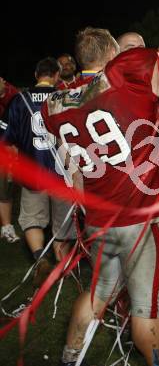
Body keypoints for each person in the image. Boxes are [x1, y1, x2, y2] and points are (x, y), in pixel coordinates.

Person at [42, 0, 159, 366]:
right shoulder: (123, 72)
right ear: (112, 52)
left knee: (98, 294)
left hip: (98, 217)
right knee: (147, 313)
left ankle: (70, 357)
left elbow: (74, 166)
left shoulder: (56, 104)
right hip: (139, 219)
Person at [3, 58, 76, 286]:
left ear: (36, 74)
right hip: (60, 171)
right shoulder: (66, 98)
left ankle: (39, 258)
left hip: (32, 171)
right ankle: (63, 266)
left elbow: (7, 138)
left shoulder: (18, 100)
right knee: (63, 221)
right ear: (56, 75)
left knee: (32, 218)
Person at [0, 77, 19, 243]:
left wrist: (3, 93)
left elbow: (16, 104)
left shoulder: (8, 89)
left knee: (5, 186)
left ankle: (6, 227)